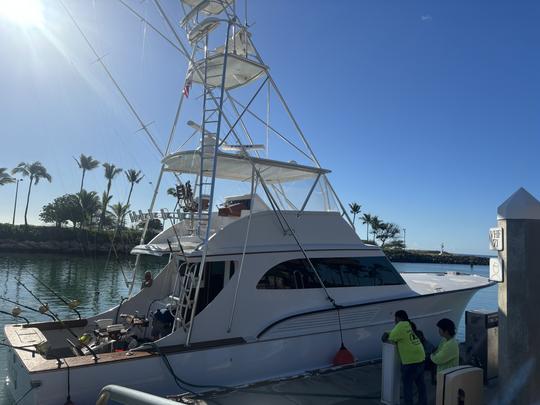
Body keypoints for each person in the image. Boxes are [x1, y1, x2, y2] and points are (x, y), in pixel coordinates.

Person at [382, 310, 427, 405]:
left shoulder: (401, 325)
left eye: (395, 318)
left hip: (411, 361)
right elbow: (398, 333)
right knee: (421, 385)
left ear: (398, 318)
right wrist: (389, 332)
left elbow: (391, 338)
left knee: (408, 387)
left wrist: (386, 334)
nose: (394, 321)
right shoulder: (408, 325)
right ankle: (423, 403)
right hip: (421, 357)